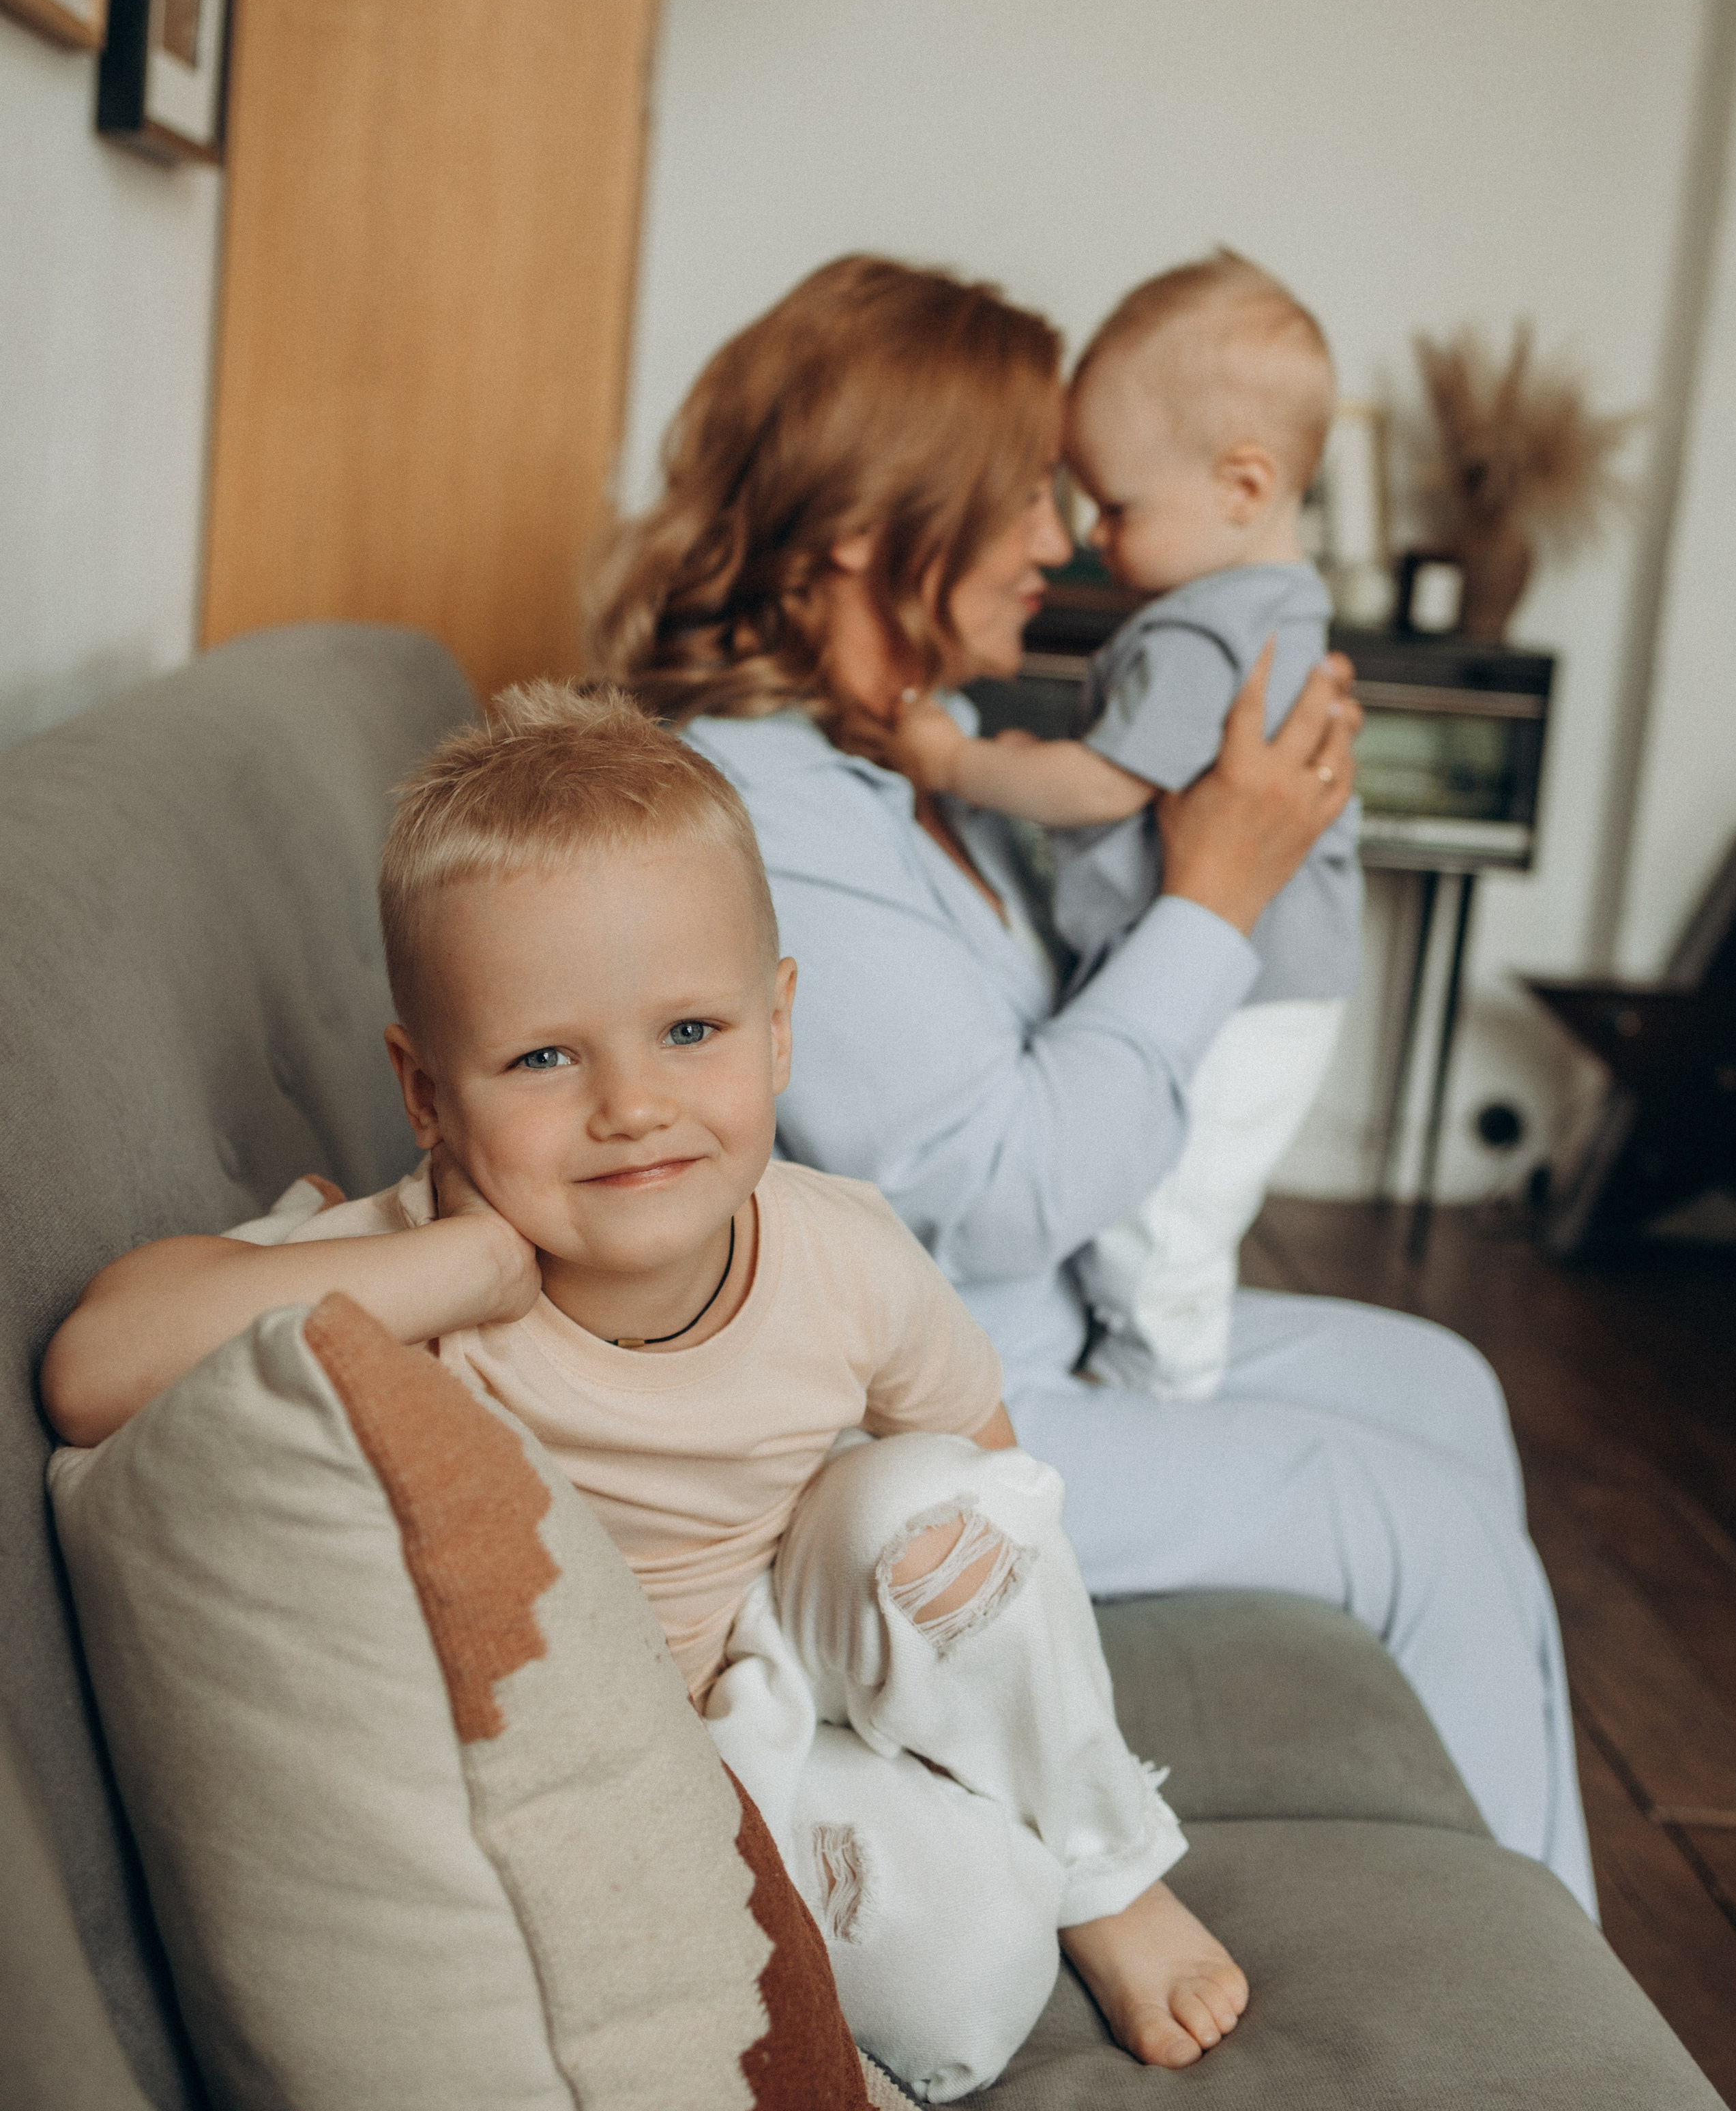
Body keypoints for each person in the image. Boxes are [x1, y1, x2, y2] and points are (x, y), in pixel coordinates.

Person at [41, 685, 1250, 2103]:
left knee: (934, 1503)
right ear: (426, 1094)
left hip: (793, 1625)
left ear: (778, 1026)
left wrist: (992, 1694)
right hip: (674, 1762)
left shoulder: (844, 1252)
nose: (630, 1105)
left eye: (689, 1030)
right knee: (966, 1981)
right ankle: (950, 1853)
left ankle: (1106, 1868)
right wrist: (462, 1265)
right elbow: (92, 1371)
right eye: (544, 1057)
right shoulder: (403, 1271)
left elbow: (996, 1491)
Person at [588, 252, 1598, 1919]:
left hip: (1056, 1322)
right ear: (869, 527)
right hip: (936, 1407)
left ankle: (1484, 1913)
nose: (1059, 542)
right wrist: (1218, 893)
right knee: (1422, 1530)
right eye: (1022, 494)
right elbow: (1002, 1186)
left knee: (1443, 1387)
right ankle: (1543, 2011)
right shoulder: (760, 814)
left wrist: (1216, 827)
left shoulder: (915, 748)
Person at [889, 250, 1361, 1403]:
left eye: (1116, 506)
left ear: (1243, 487)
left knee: (1163, 1212)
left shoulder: (1206, 632)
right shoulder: (1266, 611)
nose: (1091, 537)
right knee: (1177, 1198)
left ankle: (1160, 1390)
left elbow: (1105, 786)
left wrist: (958, 762)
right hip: (1261, 981)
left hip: (1240, 989)